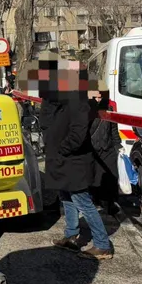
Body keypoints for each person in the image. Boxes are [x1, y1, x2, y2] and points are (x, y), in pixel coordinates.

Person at [40, 64, 113, 260]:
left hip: (73, 161)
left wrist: (62, 150)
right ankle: (71, 236)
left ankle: (102, 245)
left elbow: (78, 134)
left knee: (83, 202)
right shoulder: (63, 98)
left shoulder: (78, 100)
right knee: (66, 197)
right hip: (62, 160)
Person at [89, 92, 120, 216]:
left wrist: (118, 145)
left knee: (111, 177)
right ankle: (96, 200)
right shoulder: (87, 111)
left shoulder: (110, 110)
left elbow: (114, 130)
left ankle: (110, 204)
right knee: (95, 178)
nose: (98, 100)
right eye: (96, 98)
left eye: (100, 97)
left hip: (108, 149)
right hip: (93, 150)